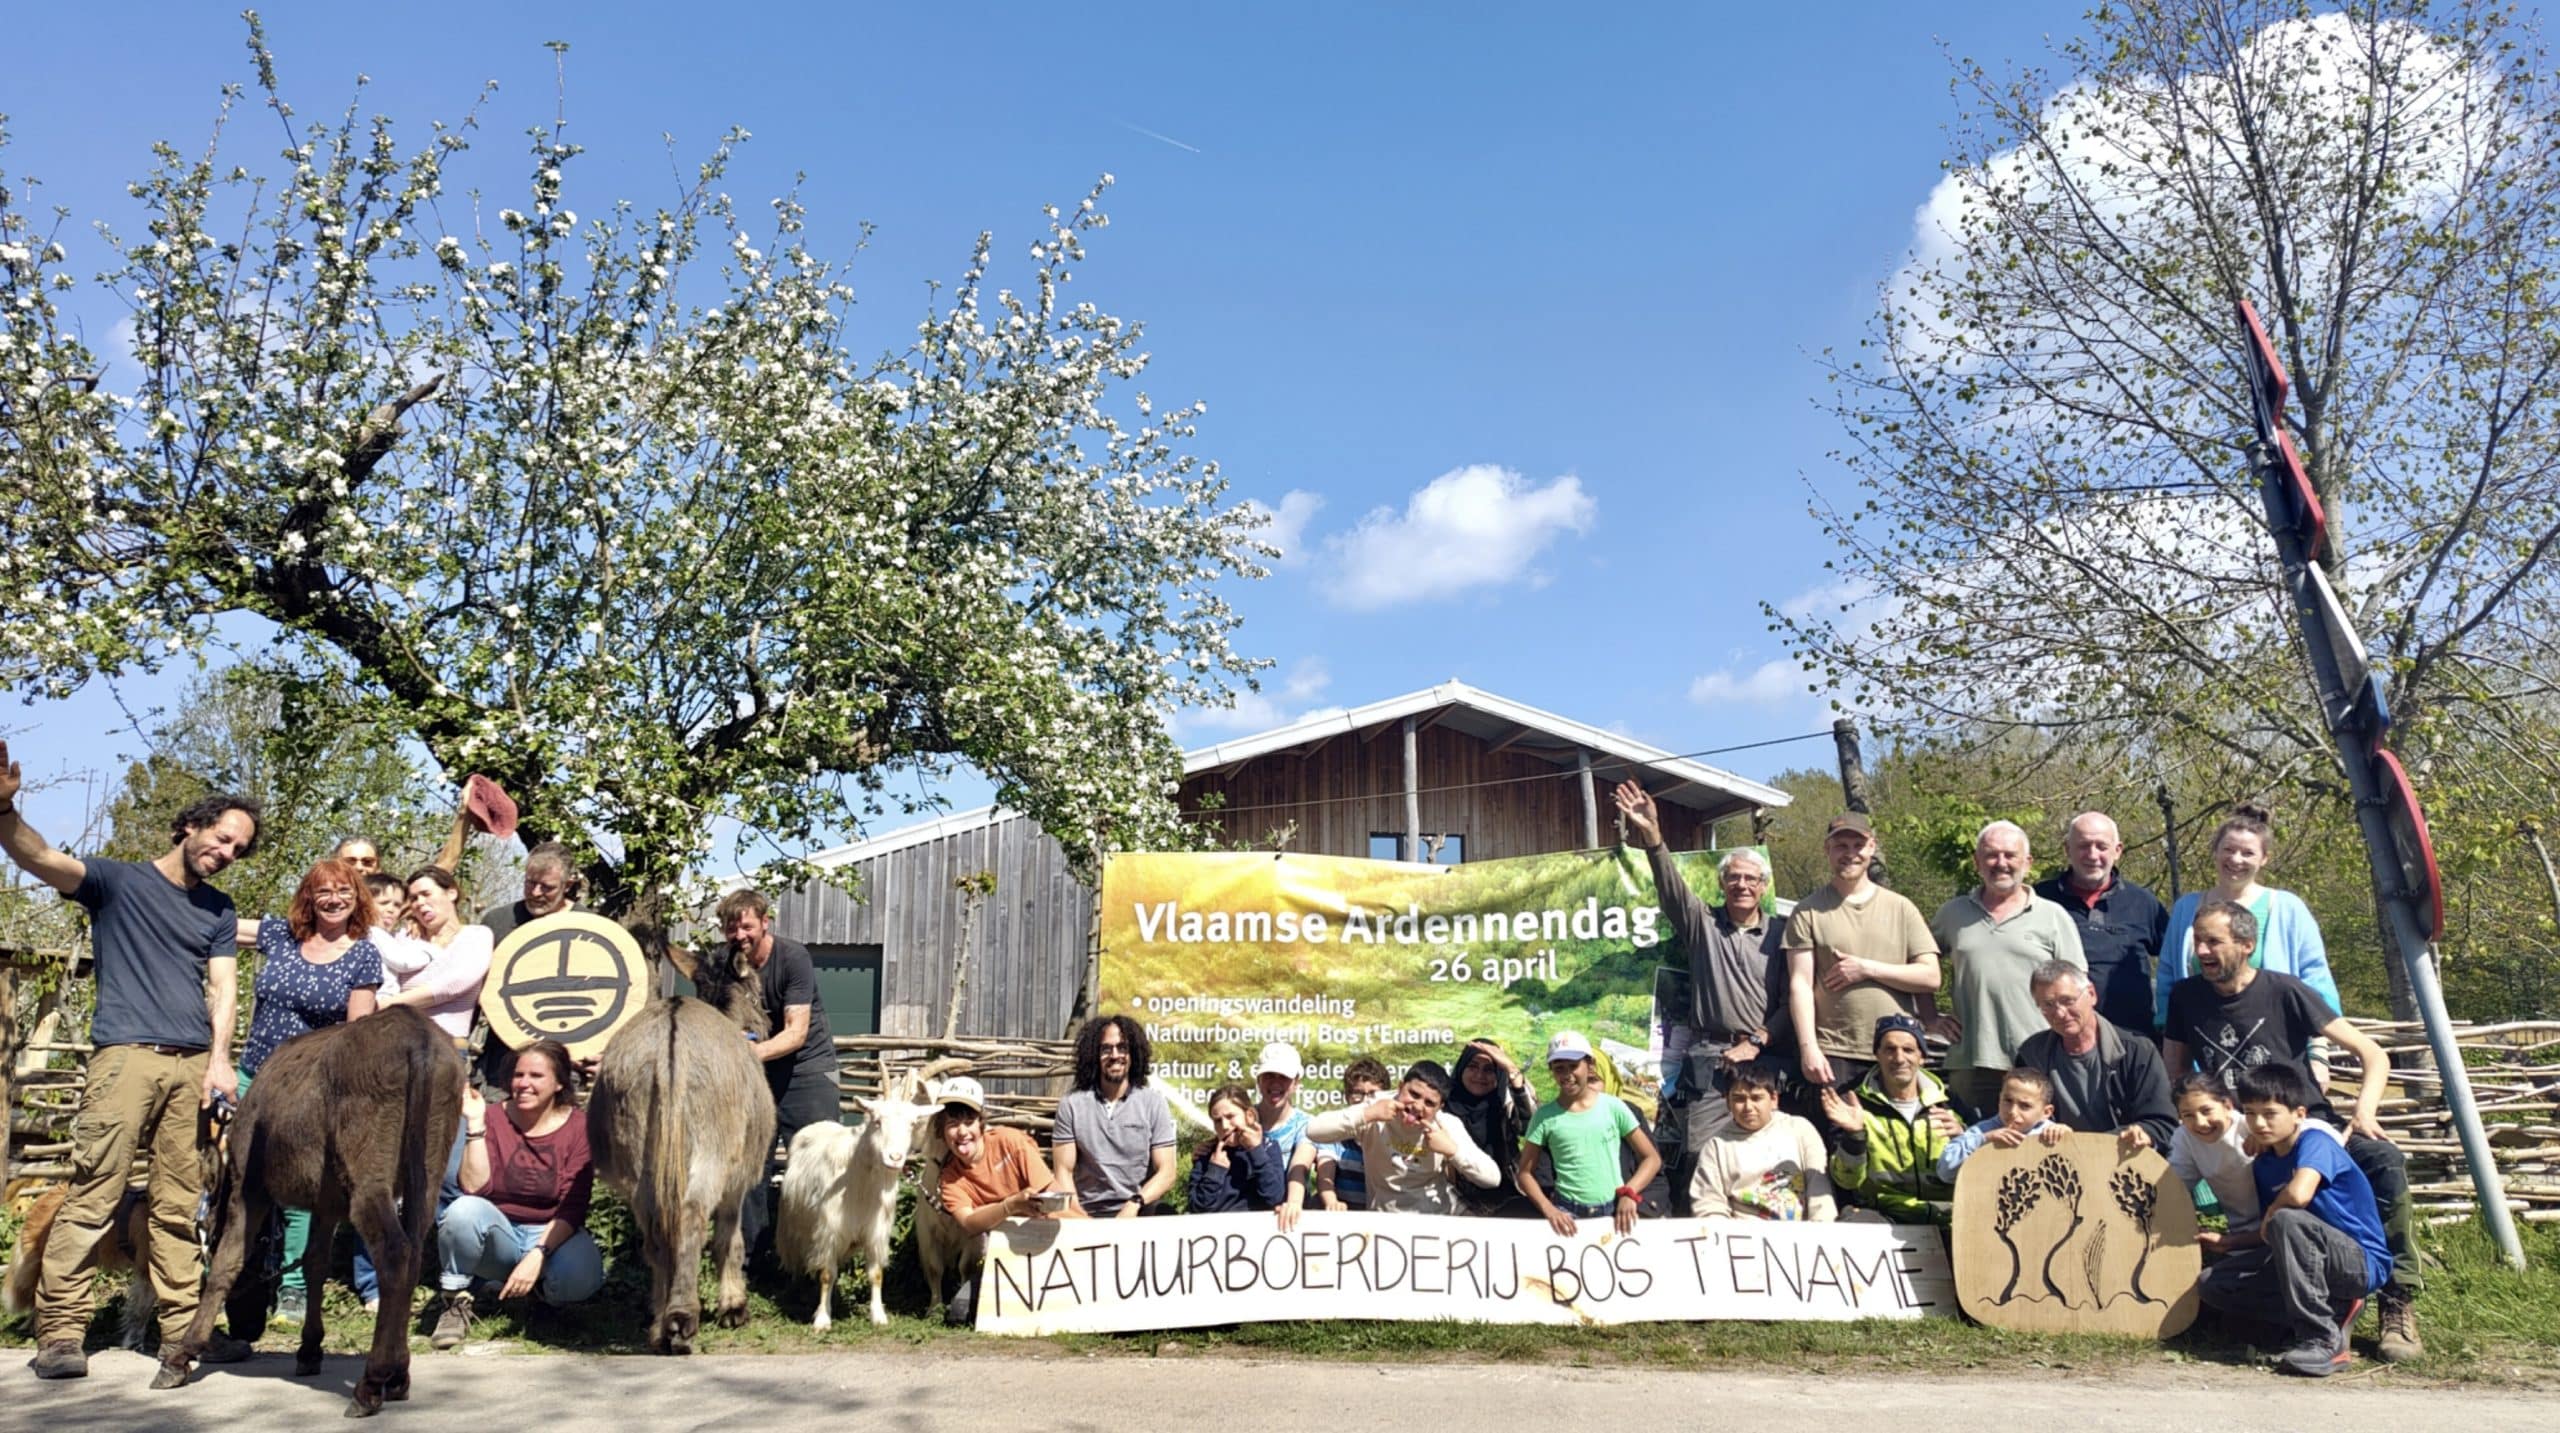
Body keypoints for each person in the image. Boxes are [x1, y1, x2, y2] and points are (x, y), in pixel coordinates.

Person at [0, 745, 258, 1381]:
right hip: (126, 1058)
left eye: (237, 850)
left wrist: (220, 1064)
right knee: (93, 1193)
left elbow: (223, 988)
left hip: (194, 1065)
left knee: (178, 1204)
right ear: (190, 827)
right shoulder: (116, 881)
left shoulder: (219, 910)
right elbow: (41, 858)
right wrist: (5, 807)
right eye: (222, 839)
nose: (226, 854)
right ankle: (60, 1333)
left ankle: (182, 1331)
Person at [2162, 898, 2422, 1359]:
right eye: (2196, 939)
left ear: (2246, 945)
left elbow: (2373, 1054)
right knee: (2236, 1269)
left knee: (2384, 1162)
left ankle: (2395, 1300)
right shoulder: (2186, 996)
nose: (2200, 948)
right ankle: (2300, 1306)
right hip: (2246, 1130)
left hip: (2309, 1127)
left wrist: (2364, 1113)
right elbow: (2177, 1072)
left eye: (2212, 941)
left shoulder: (2285, 991)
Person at [232, 859, 384, 1328]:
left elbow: (357, 1032)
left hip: (309, 1087)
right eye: (324, 891)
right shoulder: (280, 936)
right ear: (308, 897)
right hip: (252, 1076)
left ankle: (294, 1289)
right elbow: (211, 922)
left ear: (358, 897)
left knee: (300, 1188)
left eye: (344, 890)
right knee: (236, 1184)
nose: (334, 898)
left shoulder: (363, 955)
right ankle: (231, 1282)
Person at [1614, 782, 1793, 1178]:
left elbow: (1791, 1003)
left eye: (1750, 878)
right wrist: (1653, 835)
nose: (1742, 885)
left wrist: (1756, 1042)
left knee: (1774, 1158)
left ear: (1763, 886)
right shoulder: (1702, 923)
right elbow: (1671, 889)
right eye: (1733, 878)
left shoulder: (1784, 933)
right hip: (1710, 1059)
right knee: (1699, 1154)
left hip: (1767, 1056)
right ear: (1721, 883)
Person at [2198, 1063, 2391, 1378]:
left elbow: (2298, 1197)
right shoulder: (2264, 1165)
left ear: (2299, 1114)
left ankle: (2322, 1339)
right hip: (2305, 1255)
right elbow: (2271, 1231)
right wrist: (2229, 1242)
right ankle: (2328, 1313)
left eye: (2270, 1113)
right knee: (2213, 1285)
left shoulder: (2315, 1142)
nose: (2258, 1123)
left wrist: (2274, 1213)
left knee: (2287, 1217)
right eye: (2250, 1113)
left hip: (2358, 1262)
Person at [431, 1039, 604, 1349]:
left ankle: (544, 1300)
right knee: (462, 1211)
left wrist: (538, 1254)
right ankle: (455, 1301)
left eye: (536, 1076)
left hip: (552, 1233)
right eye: (518, 1075)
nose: (524, 1084)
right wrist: (474, 1125)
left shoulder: (580, 1126)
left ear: (559, 1082)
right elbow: (473, 1188)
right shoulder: (494, 1117)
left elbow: (572, 1207)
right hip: (500, 1233)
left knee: (582, 1274)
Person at [1923, 821, 2085, 1115]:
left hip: (2041, 1058)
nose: (2001, 863)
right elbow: (1918, 961)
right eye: (1991, 855)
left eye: (2010, 855)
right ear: (1977, 862)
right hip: (1973, 1061)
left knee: (2041, 1151)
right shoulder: (1952, 914)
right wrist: (1929, 1016)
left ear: (2028, 862)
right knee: (1973, 1151)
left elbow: (2079, 989)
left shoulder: (2052, 916)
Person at [719, 889, 841, 1266]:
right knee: (751, 1166)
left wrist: (748, 1052)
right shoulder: (723, 965)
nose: (740, 934)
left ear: (764, 923)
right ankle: (754, 1262)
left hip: (807, 1068)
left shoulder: (792, 957)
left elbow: (796, 1032)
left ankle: (823, 1260)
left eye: (747, 926)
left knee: (822, 1165)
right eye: (731, 927)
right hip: (756, 1076)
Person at [1785, 813, 1940, 1100]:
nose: (1850, 854)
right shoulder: (1807, 911)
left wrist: (1867, 969)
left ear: (1871, 847)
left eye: (1858, 845)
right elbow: (1800, 985)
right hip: (1834, 1052)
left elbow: (1930, 977)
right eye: (1841, 846)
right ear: (1827, 850)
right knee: (1842, 1141)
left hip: (1897, 1051)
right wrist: (1809, 1048)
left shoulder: (1901, 908)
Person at [2154, 804, 2343, 1029]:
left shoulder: (2287, 909)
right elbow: (2167, 978)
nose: (2236, 859)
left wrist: (2320, 1047)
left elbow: (2315, 978)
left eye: (2248, 853)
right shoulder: (2186, 909)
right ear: (2215, 850)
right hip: (2202, 1045)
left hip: (2276, 1043)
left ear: (2264, 858)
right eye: (2229, 849)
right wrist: (2167, 1029)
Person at [931, 1076, 1068, 1325]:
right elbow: (970, 1223)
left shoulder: (1010, 1142)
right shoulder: (950, 1179)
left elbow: (1052, 1194)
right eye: (952, 1123)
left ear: (981, 1124)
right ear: (942, 1130)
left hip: (1058, 1239)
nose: (962, 1132)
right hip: (1007, 1257)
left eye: (969, 1122)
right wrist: (1010, 1206)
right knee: (959, 1313)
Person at [1289, 1060, 1496, 1220]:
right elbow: (1313, 1130)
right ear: (1399, 1087)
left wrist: (1452, 1151)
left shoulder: (1445, 1124)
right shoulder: (1376, 1108)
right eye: (1413, 1094)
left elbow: (1491, 1179)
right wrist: (1367, 1115)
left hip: (1437, 1220)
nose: (1417, 1106)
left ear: (1440, 1106)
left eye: (1429, 1103)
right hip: (1385, 1222)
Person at [2012, 960, 2177, 1153]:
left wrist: (2138, 1134)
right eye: (2047, 1005)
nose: (2060, 1013)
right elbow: (2016, 1120)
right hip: (2056, 1166)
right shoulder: (2032, 1055)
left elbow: (2163, 1124)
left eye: (2067, 1001)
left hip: (2123, 1163)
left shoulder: (2138, 1051)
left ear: (2091, 994)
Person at [2034, 811, 2168, 1036]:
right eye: (2083, 846)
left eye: (2101, 846)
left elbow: (2175, 962)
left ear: (2118, 851)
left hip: (2133, 1042)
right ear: (2067, 849)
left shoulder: (2143, 903)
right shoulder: (2040, 901)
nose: (2092, 855)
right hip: (2060, 1040)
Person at [1821, 1014, 1960, 1224]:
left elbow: (1980, 1177)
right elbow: (1846, 1182)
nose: (1899, 1058)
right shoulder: (1853, 1107)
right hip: (1885, 1216)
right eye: (1889, 1049)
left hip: (1948, 1217)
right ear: (1877, 1054)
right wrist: (1854, 1137)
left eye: (1908, 1050)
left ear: (1922, 1056)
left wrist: (1964, 1138)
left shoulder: (1951, 1105)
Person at [1518, 1032, 1662, 1236]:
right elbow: (1524, 1173)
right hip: (1567, 1215)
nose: (1567, 1074)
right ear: (1551, 1071)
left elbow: (1651, 1158)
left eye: (1573, 1066)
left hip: (1615, 1213)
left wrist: (1629, 1193)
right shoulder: (1543, 1117)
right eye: (1559, 1068)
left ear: (1590, 1065)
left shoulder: (1613, 1107)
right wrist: (1548, 1209)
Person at [2170, 1072, 2339, 1240]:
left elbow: (2323, 1133)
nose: (2200, 1122)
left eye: (2206, 1111)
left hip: (2289, 1229)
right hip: (2242, 1236)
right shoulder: (2185, 1138)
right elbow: (2176, 1187)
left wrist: (2264, 1137)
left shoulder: (2253, 1125)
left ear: (2227, 1105)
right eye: (2188, 1115)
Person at [470, 841, 581, 1092]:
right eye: (530, 883)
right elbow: (475, 989)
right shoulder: (497, 922)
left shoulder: (591, 926)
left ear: (568, 885)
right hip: (501, 1068)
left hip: (564, 1070)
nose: (536, 893)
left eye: (547, 887)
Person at [1051, 1015, 1178, 1217]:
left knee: (1165, 1213)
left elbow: (1167, 1172)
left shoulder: (1153, 1102)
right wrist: (1079, 1217)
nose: (1115, 1055)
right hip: (1086, 1211)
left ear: (1134, 1053)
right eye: (1106, 1049)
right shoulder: (1072, 1104)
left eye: (1122, 1047)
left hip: (1137, 1209)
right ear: (1094, 1054)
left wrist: (1134, 1204)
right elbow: (1063, 1172)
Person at [1691, 1063, 1836, 1221]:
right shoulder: (1716, 1146)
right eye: (1739, 1099)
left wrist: (1821, 1229)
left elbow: (1820, 1190)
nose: (1748, 1107)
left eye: (1756, 1098)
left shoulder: (1800, 1129)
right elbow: (1709, 1205)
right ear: (1728, 1103)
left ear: (1773, 1099)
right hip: (1742, 1237)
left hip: (1799, 1236)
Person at [375, 865, 496, 1052]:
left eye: (426, 894)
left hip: (446, 1047)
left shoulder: (476, 935)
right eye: (414, 899)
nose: (420, 903)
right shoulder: (403, 938)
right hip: (396, 1043)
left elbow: (454, 984)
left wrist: (383, 1006)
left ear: (451, 893)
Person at [1443, 1039, 1538, 1216]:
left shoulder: (1505, 1101)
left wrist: (1511, 1070)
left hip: (1506, 1197)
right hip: (1452, 1201)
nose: (1480, 1075)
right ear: (1462, 1067)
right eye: (1473, 1066)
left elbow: (1530, 1127)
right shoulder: (1442, 1105)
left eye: (1489, 1070)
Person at [1934, 1067, 2066, 1182]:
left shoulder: (2051, 1134)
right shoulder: (1982, 1132)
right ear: (1999, 1099)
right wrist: (1983, 1141)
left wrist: (2068, 1139)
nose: (2013, 1112)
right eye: (2008, 1101)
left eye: (2025, 1106)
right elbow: (1945, 1173)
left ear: (2046, 1112)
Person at [1296, 1056, 1390, 1212]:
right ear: (1347, 1096)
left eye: (1373, 1094)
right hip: (1343, 1215)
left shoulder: (1387, 1134)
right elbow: (1325, 1176)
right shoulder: (1336, 1134)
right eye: (1358, 1093)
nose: (1365, 1101)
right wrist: (1331, 1201)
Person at [1189, 1084, 1291, 1213]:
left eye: (1230, 1116)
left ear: (1249, 1116)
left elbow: (1275, 1197)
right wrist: (1215, 1171)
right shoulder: (1206, 1154)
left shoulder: (1268, 1147)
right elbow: (1196, 1207)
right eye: (1218, 1121)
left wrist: (1256, 1151)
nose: (1225, 1126)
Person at [1252, 1041, 1313, 1170]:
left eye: (1283, 1077)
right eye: (1269, 1076)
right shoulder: (1241, 1120)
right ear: (1259, 1080)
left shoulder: (1306, 1125)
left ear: (1296, 1082)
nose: (1275, 1083)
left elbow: (1298, 1172)